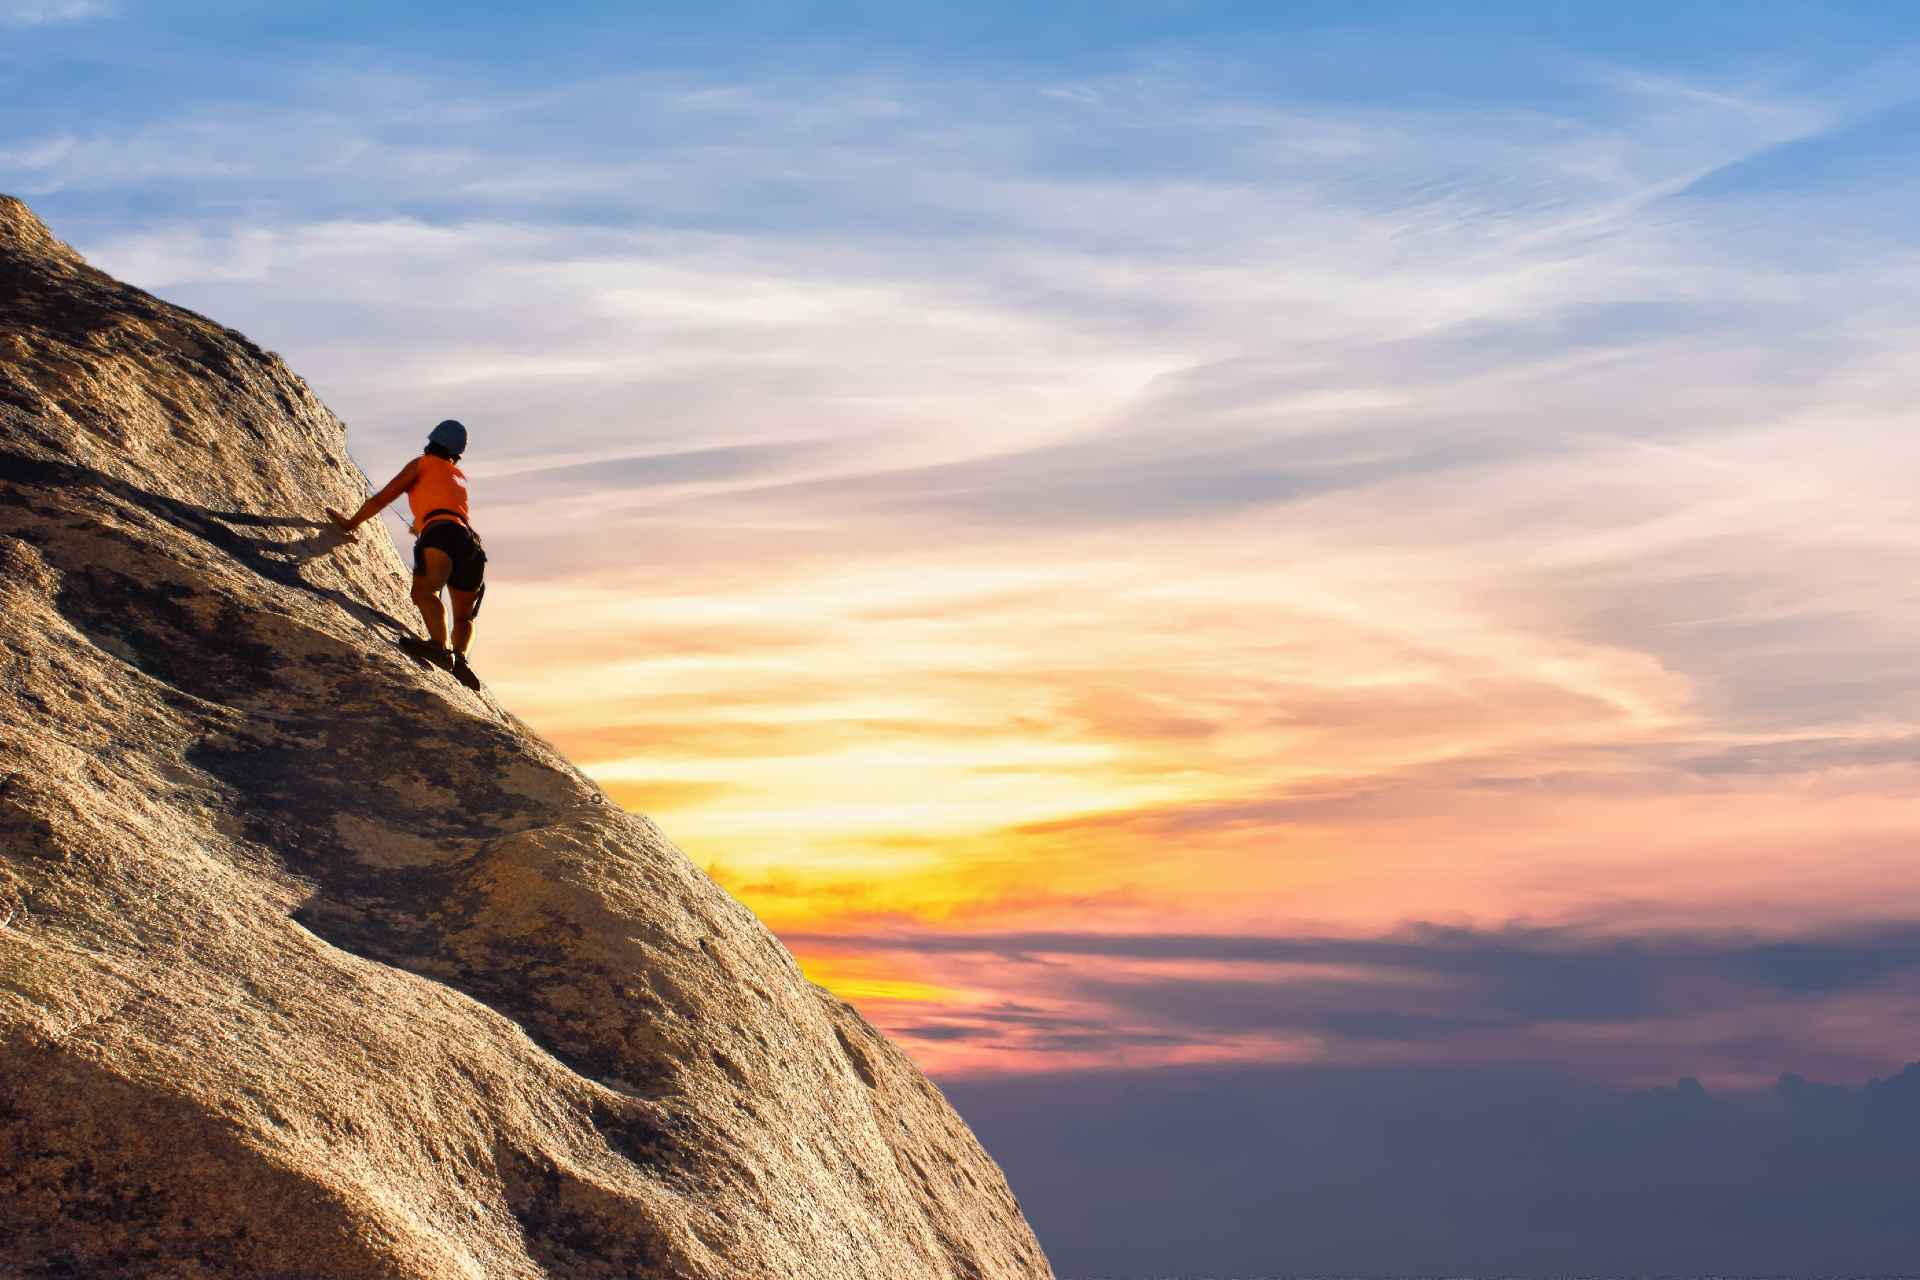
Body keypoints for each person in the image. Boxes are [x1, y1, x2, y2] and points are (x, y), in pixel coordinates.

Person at [327, 419, 487, 688]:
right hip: (471, 544)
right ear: (456, 454)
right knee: (463, 616)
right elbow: (447, 507)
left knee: (425, 592)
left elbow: (383, 498)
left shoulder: (421, 464)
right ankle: (460, 658)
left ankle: (439, 646)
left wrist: (350, 524)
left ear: (431, 442)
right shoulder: (458, 478)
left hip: (442, 533)